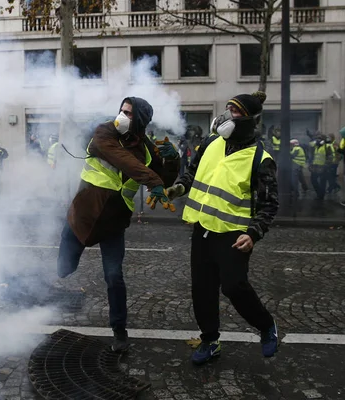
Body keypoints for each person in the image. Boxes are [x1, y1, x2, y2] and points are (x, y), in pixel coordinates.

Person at [57, 97, 180, 352]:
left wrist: (172, 160)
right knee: (64, 268)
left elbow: (164, 178)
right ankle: (61, 271)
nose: (122, 116)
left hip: (114, 221)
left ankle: (119, 331)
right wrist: (152, 179)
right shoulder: (104, 132)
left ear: (141, 121)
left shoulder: (146, 149)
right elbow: (123, 160)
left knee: (114, 277)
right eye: (122, 110)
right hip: (83, 215)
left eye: (129, 114)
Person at [166, 91, 279, 365]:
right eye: (228, 108)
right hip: (202, 229)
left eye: (236, 111)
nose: (229, 115)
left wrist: (253, 234)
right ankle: (210, 340)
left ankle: (266, 326)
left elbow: (269, 205)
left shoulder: (260, 159)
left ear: (250, 120)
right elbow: (192, 172)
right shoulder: (211, 143)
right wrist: (179, 186)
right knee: (202, 289)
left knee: (234, 286)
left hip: (234, 235)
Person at [309, 133, 333, 200]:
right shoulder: (316, 146)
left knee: (323, 182)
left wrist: (326, 165)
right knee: (313, 180)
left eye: (320, 139)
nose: (318, 140)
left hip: (323, 167)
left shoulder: (326, 146)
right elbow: (310, 145)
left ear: (323, 140)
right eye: (317, 138)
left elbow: (330, 157)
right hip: (315, 167)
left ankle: (321, 196)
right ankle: (319, 193)